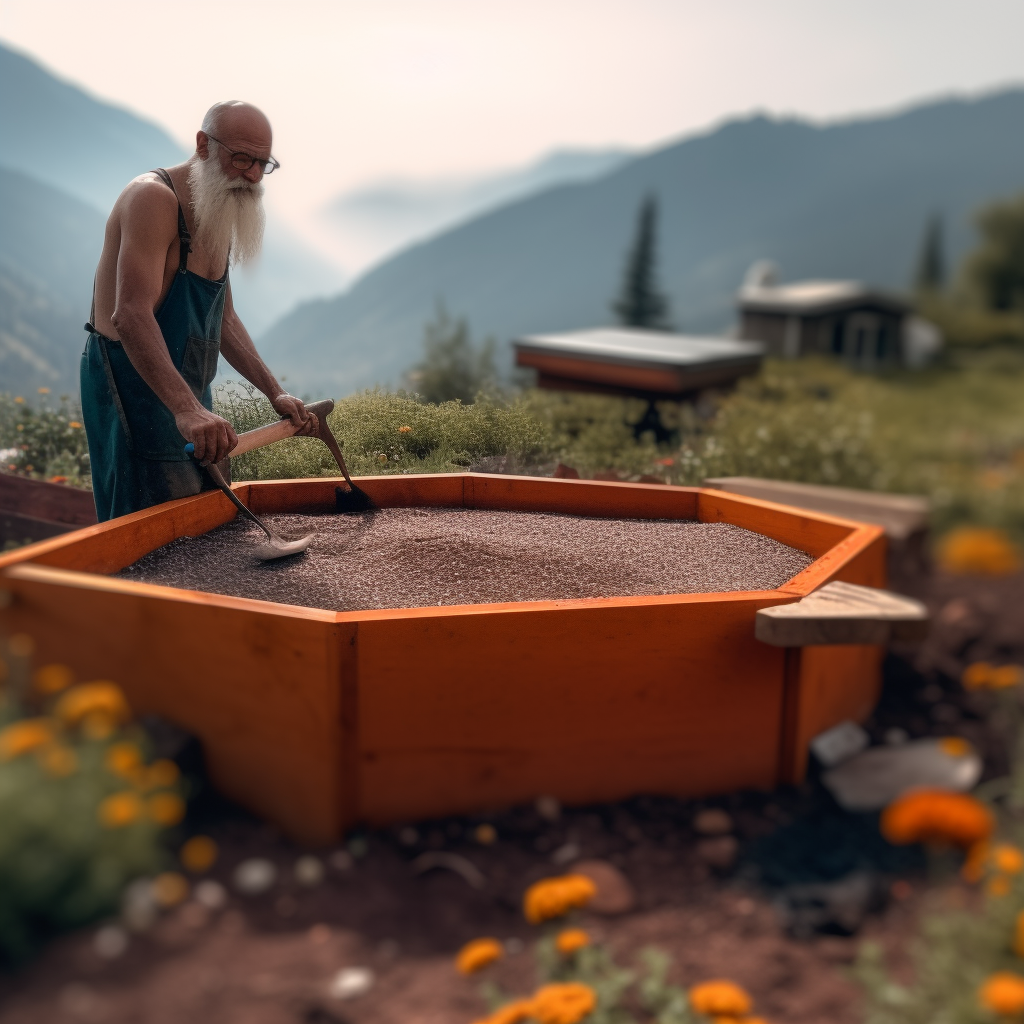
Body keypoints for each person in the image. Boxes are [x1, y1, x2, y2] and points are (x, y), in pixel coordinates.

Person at [80, 100, 315, 522]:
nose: (253, 176)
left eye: (263, 164)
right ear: (204, 145)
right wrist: (186, 409)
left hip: (186, 389)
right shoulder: (153, 199)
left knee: (203, 514)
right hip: (130, 386)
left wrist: (274, 391)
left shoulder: (217, 205)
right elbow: (130, 315)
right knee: (146, 528)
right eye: (242, 158)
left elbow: (223, 319)